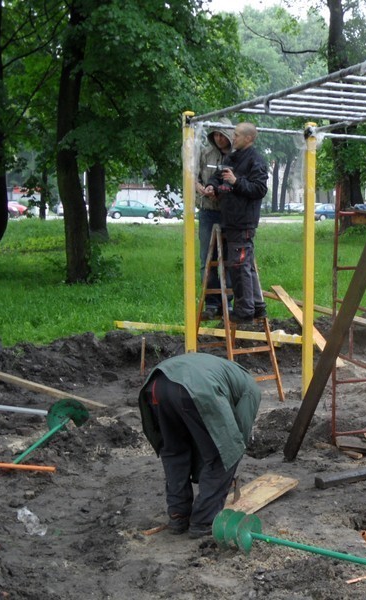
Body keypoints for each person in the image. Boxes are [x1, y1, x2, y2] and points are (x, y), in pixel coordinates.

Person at [138, 353, 262, 538]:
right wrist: (225, 469)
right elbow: (238, 435)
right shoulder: (251, 388)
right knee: (224, 454)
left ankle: (178, 515)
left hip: (156, 386)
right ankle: (203, 521)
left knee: (174, 452)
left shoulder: (220, 370)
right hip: (195, 389)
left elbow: (198, 432)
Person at [204, 121, 268, 323]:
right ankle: (257, 306)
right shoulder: (232, 157)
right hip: (230, 220)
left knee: (239, 267)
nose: (234, 137)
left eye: (238, 134)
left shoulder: (256, 160)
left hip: (243, 222)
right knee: (245, 265)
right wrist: (212, 187)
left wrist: (235, 181)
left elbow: (259, 190)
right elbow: (216, 176)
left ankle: (244, 310)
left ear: (249, 138)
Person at [196, 119, 233, 320]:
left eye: (222, 135)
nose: (219, 139)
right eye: (216, 135)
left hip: (228, 212)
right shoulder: (205, 153)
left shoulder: (236, 156)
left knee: (228, 258)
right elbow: (195, 176)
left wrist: (220, 191)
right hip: (208, 210)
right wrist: (200, 187)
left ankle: (227, 302)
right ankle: (210, 303)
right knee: (207, 259)